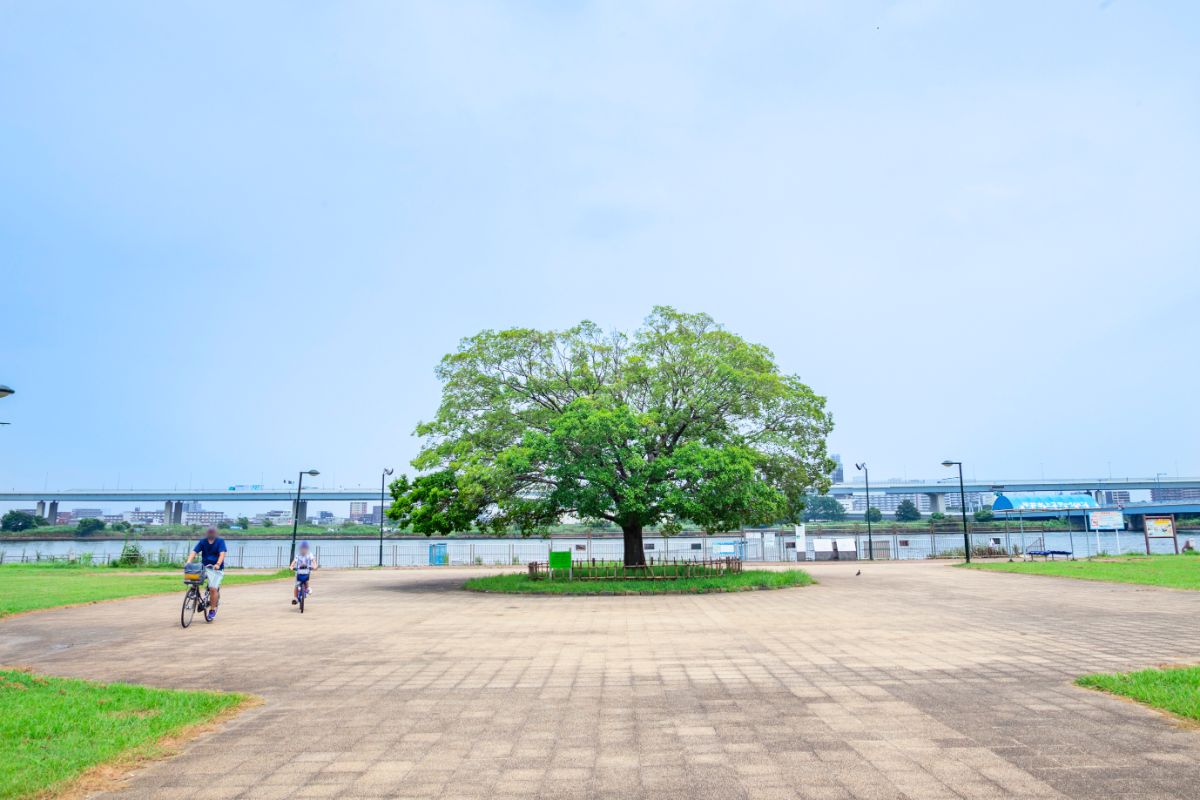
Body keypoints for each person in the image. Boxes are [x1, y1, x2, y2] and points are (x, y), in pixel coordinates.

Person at [186, 527, 227, 622]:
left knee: (213, 589)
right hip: (204, 567)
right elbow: (194, 552)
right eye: (209, 532)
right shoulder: (203, 541)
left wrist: (217, 564)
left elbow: (222, 554)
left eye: (212, 532)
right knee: (194, 578)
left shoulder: (220, 541)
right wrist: (188, 561)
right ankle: (194, 593)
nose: (210, 533)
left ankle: (212, 609)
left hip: (216, 568)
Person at [290, 541, 317, 605]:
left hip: (306, 571)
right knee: (296, 585)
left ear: (307, 548)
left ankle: (307, 588)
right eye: (302, 548)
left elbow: (313, 561)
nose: (303, 549)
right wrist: (291, 566)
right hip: (299, 571)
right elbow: (294, 561)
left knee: (306, 580)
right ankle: (295, 598)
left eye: (305, 548)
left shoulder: (309, 554)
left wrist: (315, 566)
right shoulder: (298, 555)